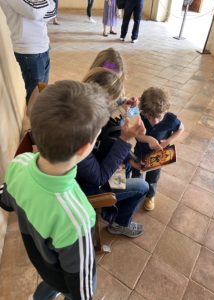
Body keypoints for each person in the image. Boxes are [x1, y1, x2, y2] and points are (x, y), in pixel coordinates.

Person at [0, 80, 110, 300]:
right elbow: (82, 289)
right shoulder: (77, 218)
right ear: (86, 148)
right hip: (64, 277)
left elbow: (5, 199)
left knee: (48, 284)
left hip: (40, 261)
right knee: (64, 286)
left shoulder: (19, 163)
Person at [76, 67, 149, 238]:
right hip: (87, 188)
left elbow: (109, 138)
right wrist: (125, 140)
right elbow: (100, 177)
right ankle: (119, 223)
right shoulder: (82, 135)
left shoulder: (83, 110)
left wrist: (127, 110)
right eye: (115, 102)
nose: (119, 105)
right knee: (142, 186)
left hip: (92, 171)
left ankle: (116, 206)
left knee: (126, 168)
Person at [132, 87, 184, 211]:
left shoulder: (171, 119)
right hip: (140, 151)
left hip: (157, 155)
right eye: (149, 116)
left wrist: (168, 141)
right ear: (143, 111)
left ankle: (150, 196)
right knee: (136, 173)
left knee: (153, 177)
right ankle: (135, 193)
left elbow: (181, 129)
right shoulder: (140, 115)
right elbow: (135, 134)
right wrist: (147, 139)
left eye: (158, 117)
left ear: (166, 111)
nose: (154, 121)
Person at [0, 0, 56, 104]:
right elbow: (35, 12)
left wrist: (41, 7)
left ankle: (37, 118)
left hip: (43, 47)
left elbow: (52, 13)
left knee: (42, 92)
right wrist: (46, 3)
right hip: (29, 52)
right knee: (34, 99)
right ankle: (33, 119)